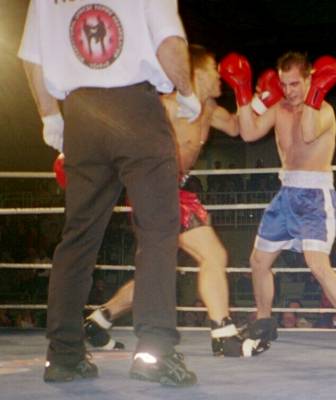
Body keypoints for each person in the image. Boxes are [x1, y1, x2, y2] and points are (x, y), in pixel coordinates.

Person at [19, 0, 201, 386]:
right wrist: (187, 92)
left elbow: (32, 58)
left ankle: (64, 356)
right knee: (156, 233)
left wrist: (50, 116)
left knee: (78, 237)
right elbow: (168, 43)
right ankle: (155, 354)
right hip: (136, 110)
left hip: (81, 114)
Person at [71, 44, 276, 357]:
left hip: (177, 191)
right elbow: (125, 134)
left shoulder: (210, 110)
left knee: (157, 272)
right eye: (213, 69)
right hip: (155, 189)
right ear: (196, 73)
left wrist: (255, 98)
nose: (220, 76)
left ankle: (99, 320)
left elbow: (237, 127)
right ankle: (223, 334)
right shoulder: (167, 106)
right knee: (214, 255)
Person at [219, 51, 336, 351]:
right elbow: (248, 133)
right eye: (283, 84)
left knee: (318, 265)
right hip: (286, 194)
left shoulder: (324, 110)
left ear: (310, 80)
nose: (288, 91)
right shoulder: (279, 108)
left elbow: (308, 133)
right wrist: (242, 92)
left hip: (315, 196)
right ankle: (264, 322)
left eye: (294, 84)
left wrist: (314, 94)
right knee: (258, 261)